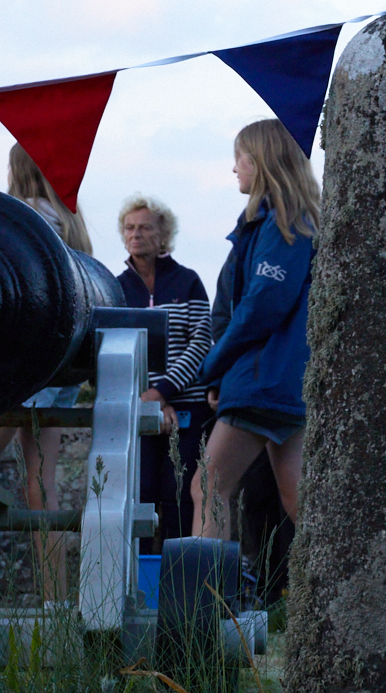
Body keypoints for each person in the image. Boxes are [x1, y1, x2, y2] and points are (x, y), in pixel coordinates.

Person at [191, 119, 316, 541]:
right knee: (299, 497)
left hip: (265, 377)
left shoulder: (284, 223)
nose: (233, 169)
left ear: (260, 160)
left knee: (208, 487)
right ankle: (344, 598)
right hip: (282, 378)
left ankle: (203, 605)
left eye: (238, 158)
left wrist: (214, 365)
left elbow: (262, 305)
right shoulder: (281, 221)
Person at [0, 143, 94, 601]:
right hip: (58, 366)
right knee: (43, 488)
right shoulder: (71, 224)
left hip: (15, 362)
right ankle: (54, 602)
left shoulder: (17, 217)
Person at [116, 194, 214, 549]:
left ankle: (178, 589)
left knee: (181, 494)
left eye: (144, 227)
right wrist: (148, 399)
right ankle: (138, 586)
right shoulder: (116, 289)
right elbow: (113, 348)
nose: (135, 234)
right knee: (139, 495)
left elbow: (201, 342)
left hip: (188, 406)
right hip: (137, 406)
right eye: (129, 228)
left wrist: (163, 392)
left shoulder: (188, 282)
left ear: (163, 234)